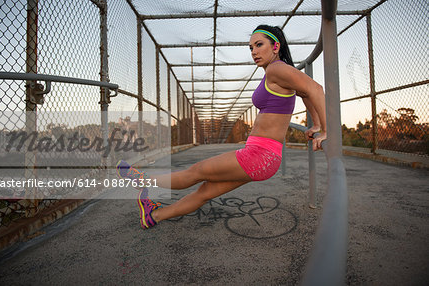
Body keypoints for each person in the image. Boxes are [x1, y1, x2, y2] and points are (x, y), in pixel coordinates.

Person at [117, 24, 327, 229]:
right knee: (205, 192)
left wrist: (324, 130)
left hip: (260, 155)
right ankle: (153, 216)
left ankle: (141, 180)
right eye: (251, 48)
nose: (254, 51)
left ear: (275, 46)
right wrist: (315, 123)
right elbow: (305, 92)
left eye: (259, 45)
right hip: (263, 156)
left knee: (196, 171)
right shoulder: (277, 72)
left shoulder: (276, 69)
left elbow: (314, 88)